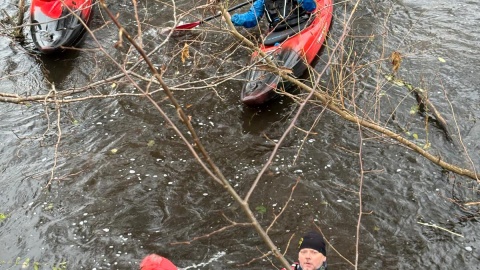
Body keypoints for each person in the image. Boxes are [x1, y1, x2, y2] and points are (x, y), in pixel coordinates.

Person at [231, 0, 317, 30]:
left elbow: (252, 19)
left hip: (280, 28)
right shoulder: (261, 1)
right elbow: (311, 7)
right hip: (295, 25)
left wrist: (234, 19)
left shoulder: (261, 1)